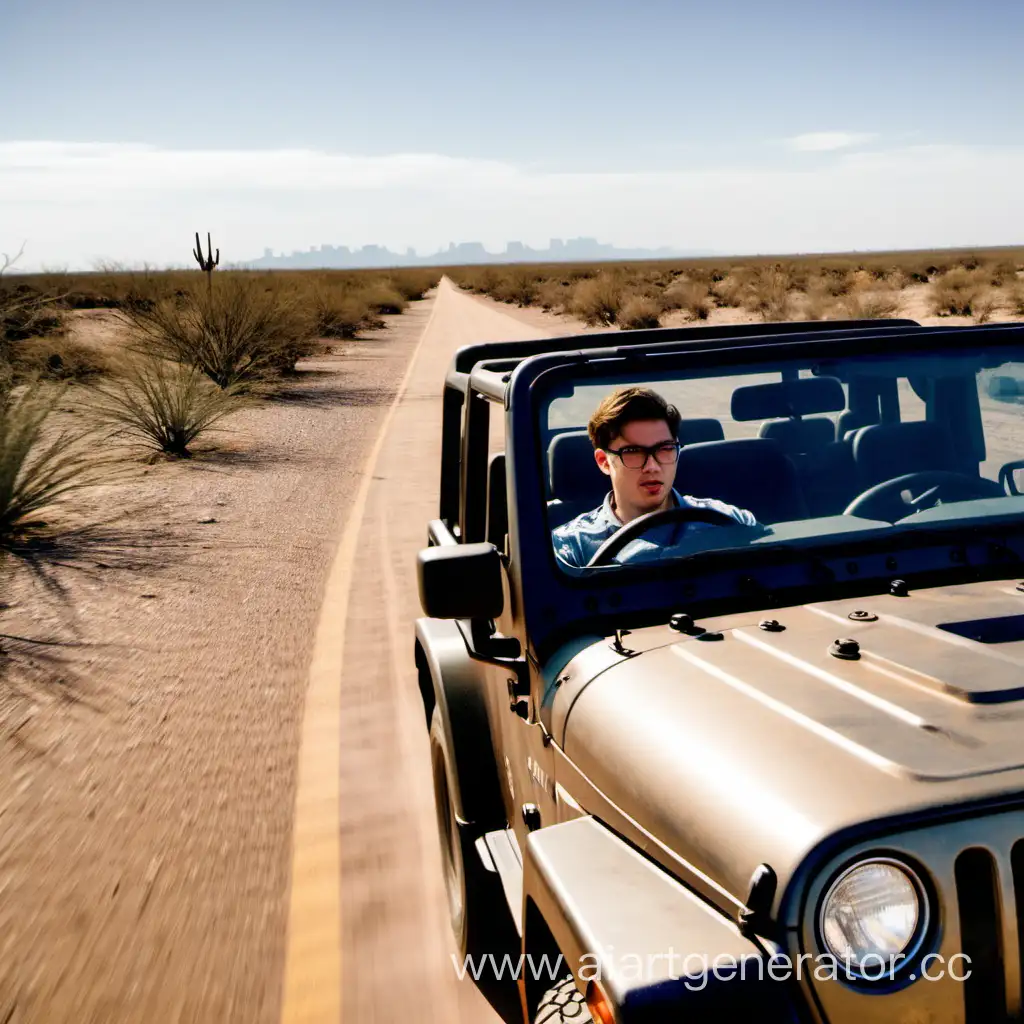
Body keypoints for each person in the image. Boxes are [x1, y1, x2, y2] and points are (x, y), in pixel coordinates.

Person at [552, 386, 758, 567]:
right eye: (633, 452)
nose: (652, 466)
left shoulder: (730, 521)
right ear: (604, 462)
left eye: (664, 449)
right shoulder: (571, 547)